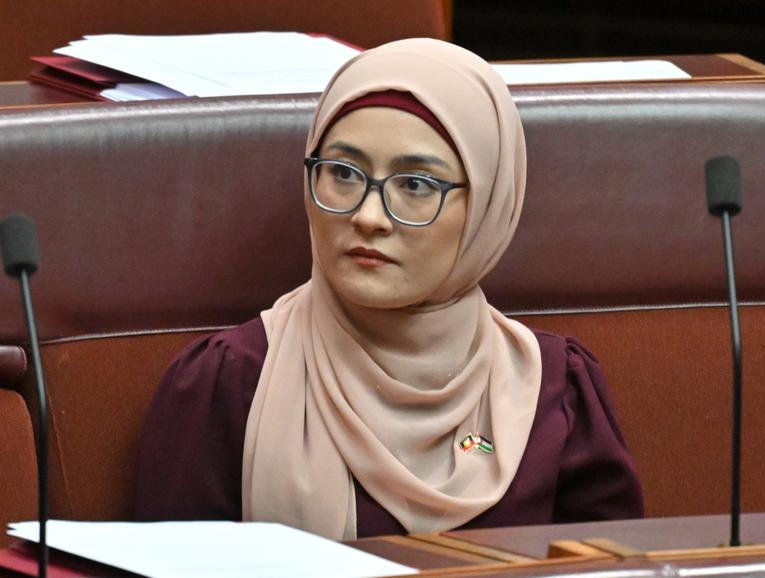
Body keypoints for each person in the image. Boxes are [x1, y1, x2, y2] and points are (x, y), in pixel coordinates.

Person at [135, 38, 643, 540]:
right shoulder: (230, 382)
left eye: (417, 184)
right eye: (342, 173)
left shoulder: (556, 391)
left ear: (488, 205)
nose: (368, 216)